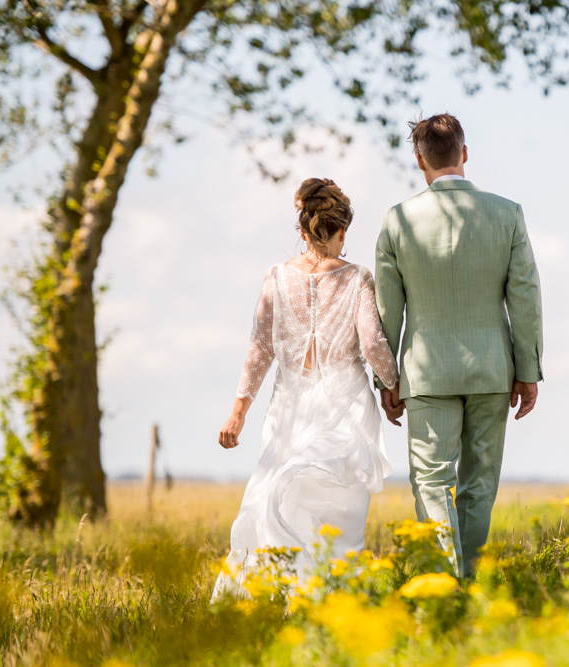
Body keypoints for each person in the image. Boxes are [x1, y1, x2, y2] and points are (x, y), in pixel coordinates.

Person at [374, 113, 544, 579]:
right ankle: (468, 585)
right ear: (464, 154)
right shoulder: (507, 213)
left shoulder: (397, 220)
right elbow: (525, 296)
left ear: (419, 160)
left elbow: (387, 310)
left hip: (426, 373)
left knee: (430, 482)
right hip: (493, 369)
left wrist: (385, 378)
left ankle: (442, 583)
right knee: (478, 485)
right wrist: (528, 370)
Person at [212, 178, 399, 599]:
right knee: (337, 514)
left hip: (290, 407)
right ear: (342, 232)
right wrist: (394, 385)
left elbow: (260, 349)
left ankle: (276, 594)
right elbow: (371, 343)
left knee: (279, 496)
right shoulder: (357, 279)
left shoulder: (276, 277)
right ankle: (330, 601)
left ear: (301, 230)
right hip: (345, 407)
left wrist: (238, 411)